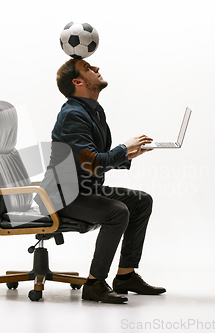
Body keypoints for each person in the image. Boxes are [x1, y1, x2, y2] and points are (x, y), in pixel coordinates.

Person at [37, 58, 166, 304]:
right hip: (61, 196)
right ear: (78, 82)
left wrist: (128, 154)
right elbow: (92, 162)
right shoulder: (72, 115)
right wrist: (122, 148)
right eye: (88, 68)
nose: (97, 69)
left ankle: (126, 276)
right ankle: (95, 283)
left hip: (84, 190)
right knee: (116, 212)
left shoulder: (93, 111)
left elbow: (91, 159)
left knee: (141, 201)